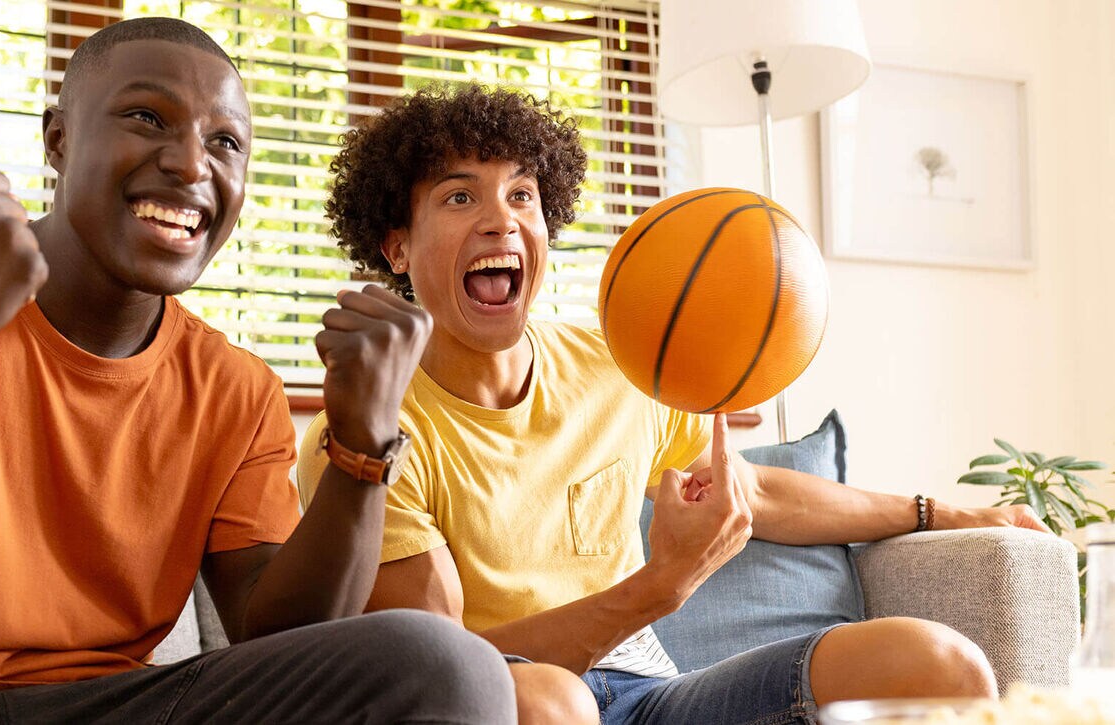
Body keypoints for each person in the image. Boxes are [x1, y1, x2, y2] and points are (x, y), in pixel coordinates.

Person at [0, 20, 519, 724]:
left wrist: (365, 443)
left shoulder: (235, 389)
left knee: (449, 667)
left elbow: (277, 637)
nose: (192, 164)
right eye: (148, 119)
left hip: (96, 708)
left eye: (226, 142)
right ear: (58, 139)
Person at [298, 84, 1051, 725]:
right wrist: (661, 585)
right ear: (396, 246)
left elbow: (754, 491)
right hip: (524, 697)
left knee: (938, 662)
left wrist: (946, 512)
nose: (502, 219)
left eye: (521, 193)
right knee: (553, 700)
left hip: (656, 695)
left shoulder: (619, 362)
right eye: (460, 196)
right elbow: (444, 669)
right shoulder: (366, 431)